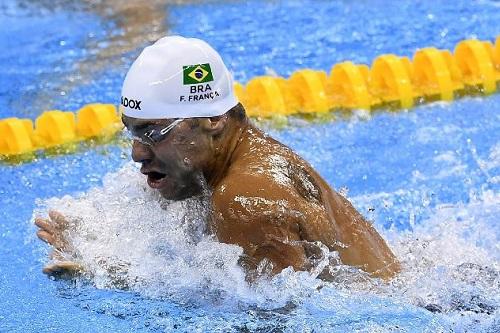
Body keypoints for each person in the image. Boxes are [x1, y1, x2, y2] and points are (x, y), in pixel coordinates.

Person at [35, 36, 400, 281]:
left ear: (212, 119)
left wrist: (106, 280)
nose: (138, 153)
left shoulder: (247, 201)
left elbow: (279, 320)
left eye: (153, 131)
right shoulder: (214, 165)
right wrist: (94, 249)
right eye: (132, 132)